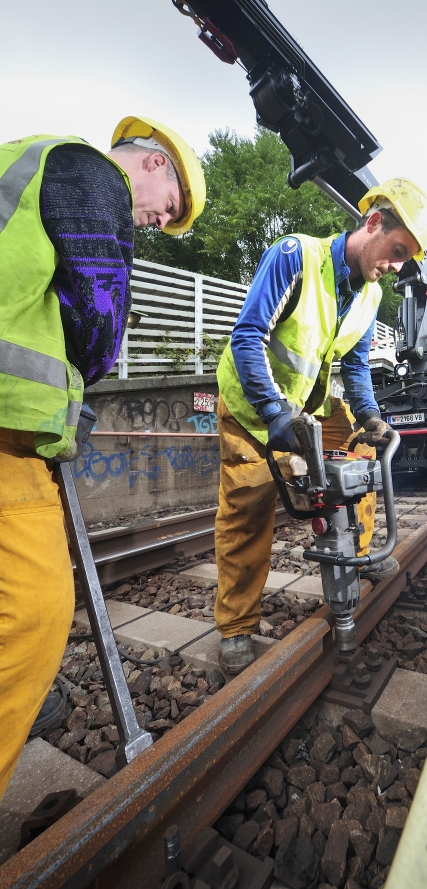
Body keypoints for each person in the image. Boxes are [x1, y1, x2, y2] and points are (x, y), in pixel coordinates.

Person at [0, 116, 206, 799]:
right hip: (5, 426)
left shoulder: (30, 162)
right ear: (153, 165)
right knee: (36, 608)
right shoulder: (96, 176)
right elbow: (97, 305)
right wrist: (78, 383)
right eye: (165, 208)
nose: (152, 221)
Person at [214, 178, 427, 674]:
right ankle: (236, 626)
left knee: (363, 451)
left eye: (406, 260)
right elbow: (248, 336)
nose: (397, 267)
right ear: (373, 223)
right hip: (253, 405)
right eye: (397, 251)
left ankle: (359, 555)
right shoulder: (296, 255)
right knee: (248, 510)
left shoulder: (372, 294)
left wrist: (370, 414)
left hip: (303, 407)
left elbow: (354, 365)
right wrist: (273, 413)